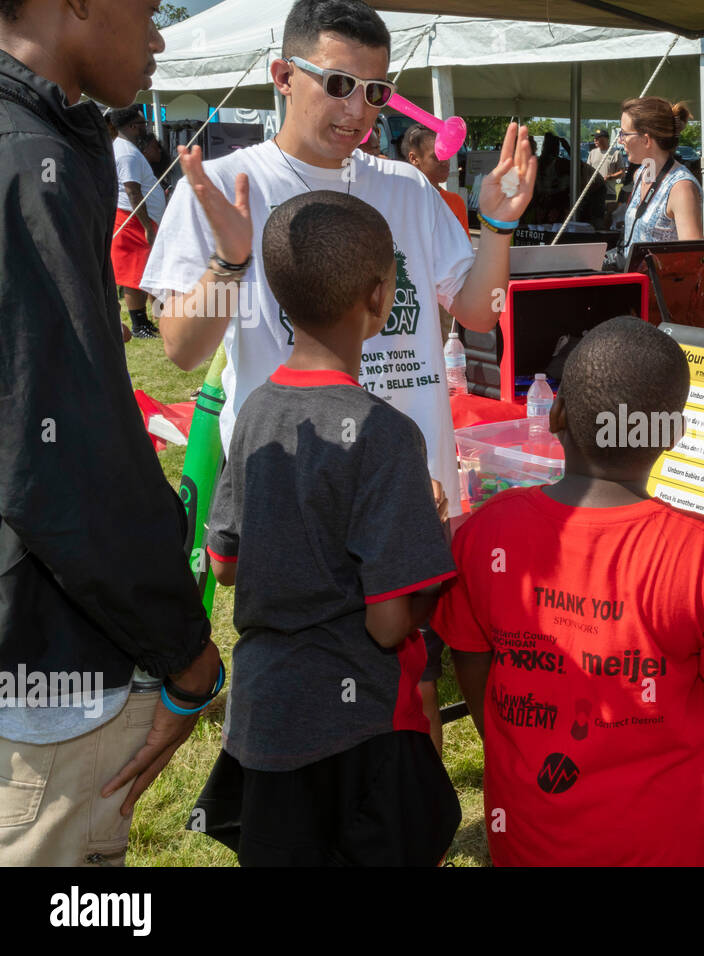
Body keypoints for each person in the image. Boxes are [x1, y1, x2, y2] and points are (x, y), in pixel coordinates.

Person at [141, 0, 536, 748]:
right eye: (338, 84)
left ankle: (397, 819)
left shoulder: (408, 189)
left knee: (412, 687)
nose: (358, 110)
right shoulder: (224, 185)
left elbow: (479, 313)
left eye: (377, 91)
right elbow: (184, 350)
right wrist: (231, 260)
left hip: (408, 487)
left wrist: (499, 227)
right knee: (302, 688)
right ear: (283, 76)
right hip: (296, 495)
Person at [0, 0, 222, 868]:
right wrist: (186, 653)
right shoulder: (30, 159)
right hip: (46, 672)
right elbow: (56, 454)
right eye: (152, 8)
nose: (161, 36)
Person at [435, 316, 704, 866]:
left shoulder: (484, 533)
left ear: (555, 414)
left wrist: (510, 744)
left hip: (525, 843)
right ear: (671, 436)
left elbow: (471, 656)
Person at [192, 191, 460, 865]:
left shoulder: (254, 411)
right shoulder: (387, 437)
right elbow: (389, 623)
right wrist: (425, 531)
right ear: (377, 299)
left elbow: (224, 565)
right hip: (360, 729)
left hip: (265, 722)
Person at [615, 96, 702, 262]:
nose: (621, 140)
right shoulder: (639, 174)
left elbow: (694, 261)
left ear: (646, 140)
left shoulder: (681, 188)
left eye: (624, 134)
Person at [109, 104, 166, 338]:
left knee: (148, 271)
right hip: (133, 220)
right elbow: (132, 191)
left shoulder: (126, 149)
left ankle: (153, 320)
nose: (146, 127)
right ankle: (139, 324)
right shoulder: (126, 152)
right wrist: (146, 227)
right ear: (132, 126)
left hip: (138, 219)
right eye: (143, 124)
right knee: (135, 274)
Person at [401, 123, 469, 237]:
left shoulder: (455, 202)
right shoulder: (401, 200)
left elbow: (466, 249)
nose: (445, 161)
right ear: (414, 158)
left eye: (447, 153)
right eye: (437, 156)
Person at [585, 127, 625, 195]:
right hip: (594, 192)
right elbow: (587, 171)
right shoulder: (592, 153)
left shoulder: (616, 153)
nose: (595, 140)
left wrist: (610, 177)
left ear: (606, 139)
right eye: (594, 138)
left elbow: (622, 172)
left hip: (609, 192)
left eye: (597, 138)